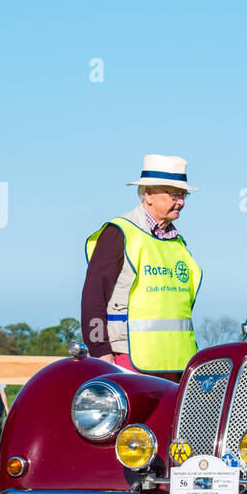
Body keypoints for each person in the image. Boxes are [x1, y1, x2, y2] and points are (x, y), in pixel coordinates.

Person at [82, 154, 202, 378]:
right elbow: (93, 294)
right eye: (174, 194)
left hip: (176, 362)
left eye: (183, 195)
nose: (182, 202)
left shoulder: (178, 243)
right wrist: (100, 351)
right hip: (126, 358)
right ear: (148, 194)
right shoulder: (119, 232)